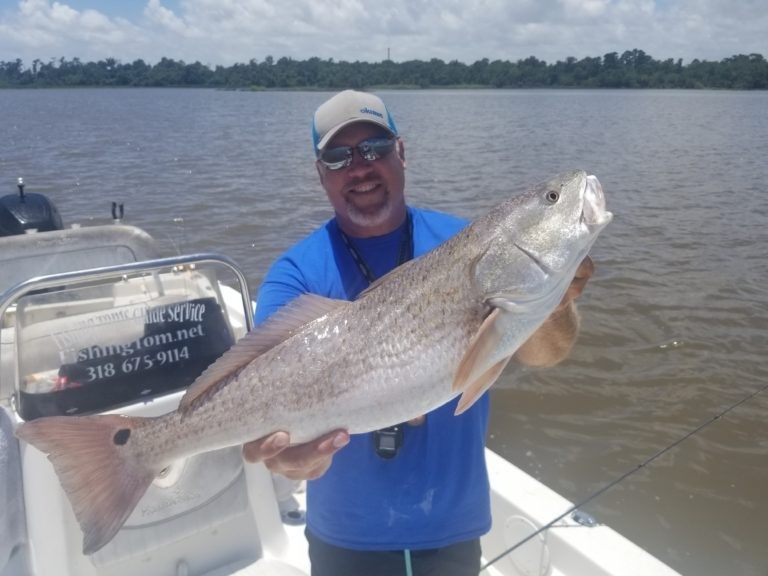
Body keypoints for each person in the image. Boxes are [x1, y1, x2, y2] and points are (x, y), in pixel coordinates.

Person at [242, 90, 594, 576]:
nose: (360, 166)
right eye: (339, 157)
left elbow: (545, 355)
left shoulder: (468, 244)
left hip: (453, 529)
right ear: (321, 173)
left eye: (375, 148)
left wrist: (553, 297)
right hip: (346, 536)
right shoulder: (295, 275)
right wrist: (289, 459)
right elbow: (262, 390)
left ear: (401, 152)